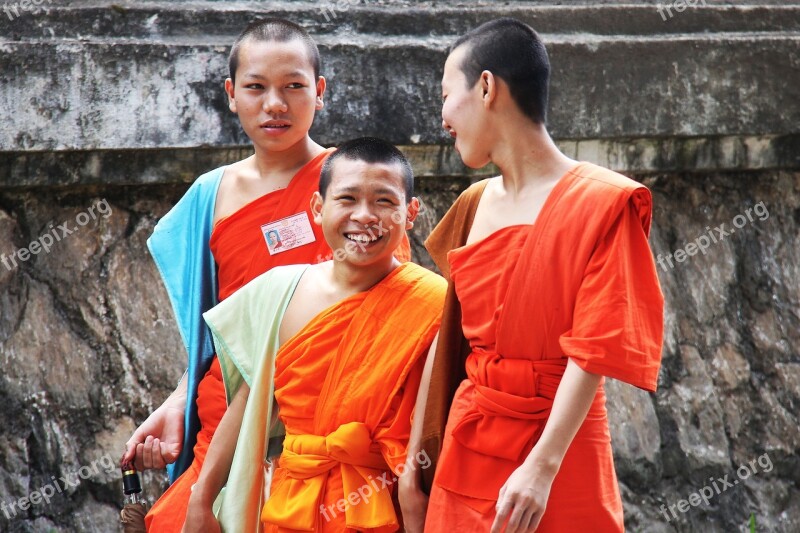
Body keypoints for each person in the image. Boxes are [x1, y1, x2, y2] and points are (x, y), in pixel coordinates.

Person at [120, 20, 411, 531]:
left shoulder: (354, 190)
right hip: (228, 418)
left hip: (321, 430)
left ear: (319, 93)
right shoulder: (211, 197)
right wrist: (178, 402)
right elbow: (221, 335)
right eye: (256, 87)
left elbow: (385, 323)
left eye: (293, 86)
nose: (275, 104)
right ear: (232, 95)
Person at [399, 18, 664, 533]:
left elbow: (595, 349)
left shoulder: (603, 202)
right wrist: (417, 457)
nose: (443, 117)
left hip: (560, 451)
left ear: (486, 87)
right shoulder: (473, 205)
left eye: (446, 95)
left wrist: (542, 467)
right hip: (468, 440)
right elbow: (449, 337)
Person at [181, 137, 446, 532]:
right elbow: (249, 402)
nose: (365, 216)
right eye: (348, 199)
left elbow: (437, 426)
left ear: (410, 214)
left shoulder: (434, 303)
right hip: (290, 505)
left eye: (384, 202)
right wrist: (202, 498)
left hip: (387, 507)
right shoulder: (279, 291)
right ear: (318, 208)